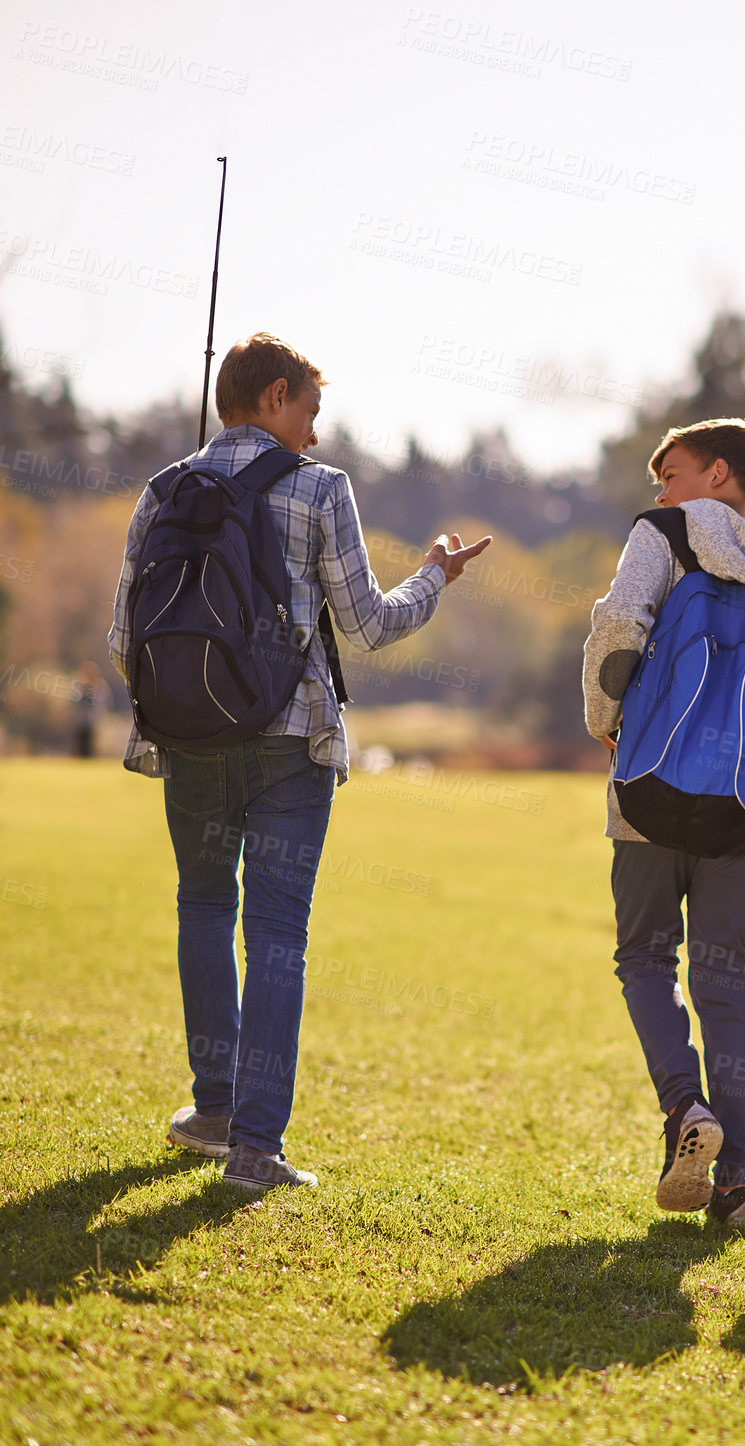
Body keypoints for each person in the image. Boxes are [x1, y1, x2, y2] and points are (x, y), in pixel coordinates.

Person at [108, 332, 491, 1192]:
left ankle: (211, 1110)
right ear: (276, 396)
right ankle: (253, 1149)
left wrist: (189, 699)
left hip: (188, 739)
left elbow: (122, 638)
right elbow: (367, 625)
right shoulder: (320, 488)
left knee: (203, 905)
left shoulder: (164, 488)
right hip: (292, 739)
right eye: (310, 413)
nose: (315, 435)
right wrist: (433, 576)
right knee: (276, 932)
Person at [583, 418, 745, 1232]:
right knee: (727, 987)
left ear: (719, 474)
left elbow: (620, 625)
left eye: (674, 473)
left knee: (644, 959)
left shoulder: (661, 535)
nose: (661, 491)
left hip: (649, 791)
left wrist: (609, 725)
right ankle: (740, 1185)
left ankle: (686, 1108)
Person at [71, 661, 109, 757]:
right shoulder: (79, 685)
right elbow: (74, 700)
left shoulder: (100, 686)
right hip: (80, 722)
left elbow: (100, 703)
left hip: (93, 723)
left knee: (92, 748)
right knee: (79, 748)